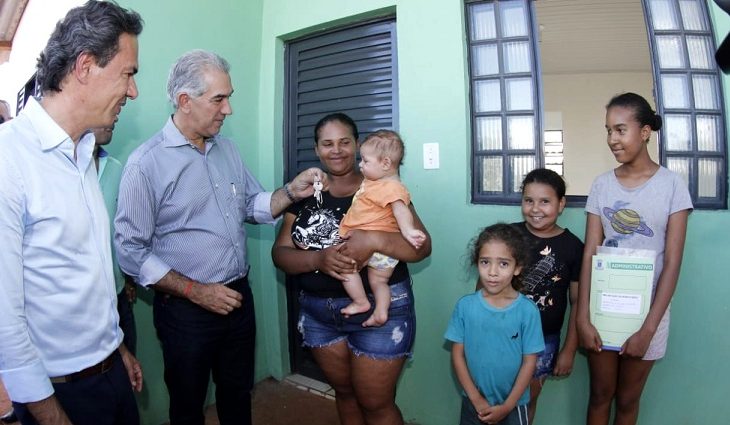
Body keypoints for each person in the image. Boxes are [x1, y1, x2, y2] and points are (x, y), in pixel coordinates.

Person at [114, 49, 323, 425]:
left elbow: (251, 205)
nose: (228, 109)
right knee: (188, 405)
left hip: (238, 298)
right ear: (185, 101)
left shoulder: (227, 149)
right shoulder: (146, 164)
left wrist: (291, 191)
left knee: (238, 395)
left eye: (229, 97)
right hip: (185, 310)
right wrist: (195, 291)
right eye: (218, 99)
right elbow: (130, 250)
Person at [0, 2, 144, 425]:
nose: (133, 92)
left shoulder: (83, 154)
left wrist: (117, 348)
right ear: (85, 67)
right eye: (128, 74)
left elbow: (87, 277)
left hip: (111, 373)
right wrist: (50, 415)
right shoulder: (9, 159)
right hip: (59, 396)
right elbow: (5, 319)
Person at [272, 112, 431, 425]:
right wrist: (318, 260)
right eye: (327, 143)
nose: (336, 150)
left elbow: (422, 248)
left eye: (344, 142)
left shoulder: (381, 186)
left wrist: (374, 239)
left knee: (375, 404)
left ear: (357, 145)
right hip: (319, 314)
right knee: (344, 394)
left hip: (381, 311)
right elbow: (280, 254)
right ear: (317, 149)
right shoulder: (305, 192)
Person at [576, 92, 692, 425]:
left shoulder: (672, 185)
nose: (612, 139)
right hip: (604, 309)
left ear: (644, 132)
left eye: (620, 130)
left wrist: (648, 329)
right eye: (608, 130)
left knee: (628, 400)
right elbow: (590, 251)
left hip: (649, 313)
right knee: (600, 394)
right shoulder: (602, 185)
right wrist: (583, 316)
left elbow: (672, 262)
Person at [446, 223, 544, 425]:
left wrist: (508, 406)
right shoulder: (465, 306)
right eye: (485, 262)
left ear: (517, 268)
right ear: (477, 263)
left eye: (503, 264)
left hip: (514, 405)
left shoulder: (527, 311)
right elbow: (457, 355)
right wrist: (475, 399)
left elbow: (529, 362)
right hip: (473, 403)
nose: (492, 272)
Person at [338, 130, 426, 327]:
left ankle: (361, 301)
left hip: (377, 247)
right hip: (383, 255)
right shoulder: (375, 182)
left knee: (345, 269)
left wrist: (408, 231)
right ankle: (380, 311)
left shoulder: (391, 187)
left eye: (365, 161)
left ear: (385, 163)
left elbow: (401, 210)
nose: (360, 165)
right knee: (379, 282)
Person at [516, 168, 583, 423]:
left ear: (561, 204)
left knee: (527, 399)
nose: (535, 209)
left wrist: (569, 349)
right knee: (495, 396)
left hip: (544, 340)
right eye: (528, 200)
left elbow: (578, 301)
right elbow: (483, 288)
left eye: (545, 201)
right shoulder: (508, 236)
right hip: (501, 335)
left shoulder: (573, 246)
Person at [93, 126, 137, 355]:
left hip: (117, 294)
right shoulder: (54, 170)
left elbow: (121, 230)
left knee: (128, 368)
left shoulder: (116, 168)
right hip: (82, 303)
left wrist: (128, 278)